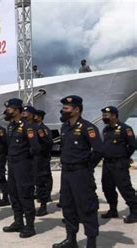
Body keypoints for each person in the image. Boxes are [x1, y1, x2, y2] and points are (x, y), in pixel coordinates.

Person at [53, 95, 103, 248]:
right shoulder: (65, 127)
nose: (63, 111)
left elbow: (99, 150)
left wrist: (88, 166)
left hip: (81, 174)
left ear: (76, 109)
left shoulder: (88, 128)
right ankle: (71, 240)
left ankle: (91, 242)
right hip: (66, 173)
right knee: (68, 206)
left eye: (66, 108)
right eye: (63, 108)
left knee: (87, 207)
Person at [2, 98, 40, 238]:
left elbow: (35, 148)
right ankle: (18, 222)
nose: (6, 111)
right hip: (12, 164)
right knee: (14, 194)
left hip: (23, 165)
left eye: (9, 109)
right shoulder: (11, 126)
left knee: (25, 195)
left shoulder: (27, 127)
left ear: (17, 110)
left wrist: (25, 160)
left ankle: (30, 226)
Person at [100, 106, 137, 223]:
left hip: (119, 164)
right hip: (107, 163)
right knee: (107, 187)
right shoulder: (106, 130)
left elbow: (133, 145)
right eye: (103, 116)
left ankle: (135, 212)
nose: (104, 118)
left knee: (125, 188)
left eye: (106, 115)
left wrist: (124, 157)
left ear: (114, 116)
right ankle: (113, 209)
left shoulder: (125, 129)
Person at [33, 109, 54, 216]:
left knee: (42, 179)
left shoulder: (43, 129)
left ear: (40, 118)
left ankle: (43, 204)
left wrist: (41, 153)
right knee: (35, 180)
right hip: (33, 158)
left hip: (41, 158)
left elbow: (48, 143)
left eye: (35, 116)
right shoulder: (31, 128)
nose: (33, 118)